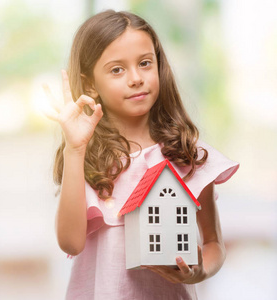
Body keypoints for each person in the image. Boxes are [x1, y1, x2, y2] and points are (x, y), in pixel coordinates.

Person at [43, 10, 239, 300]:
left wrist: (199, 271)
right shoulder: (86, 157)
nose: (136, 78)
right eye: (117, 70)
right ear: (89, 86)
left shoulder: (186, 153)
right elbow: (71, 243)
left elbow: (213, 244)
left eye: (145, 63)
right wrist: (75, 150)